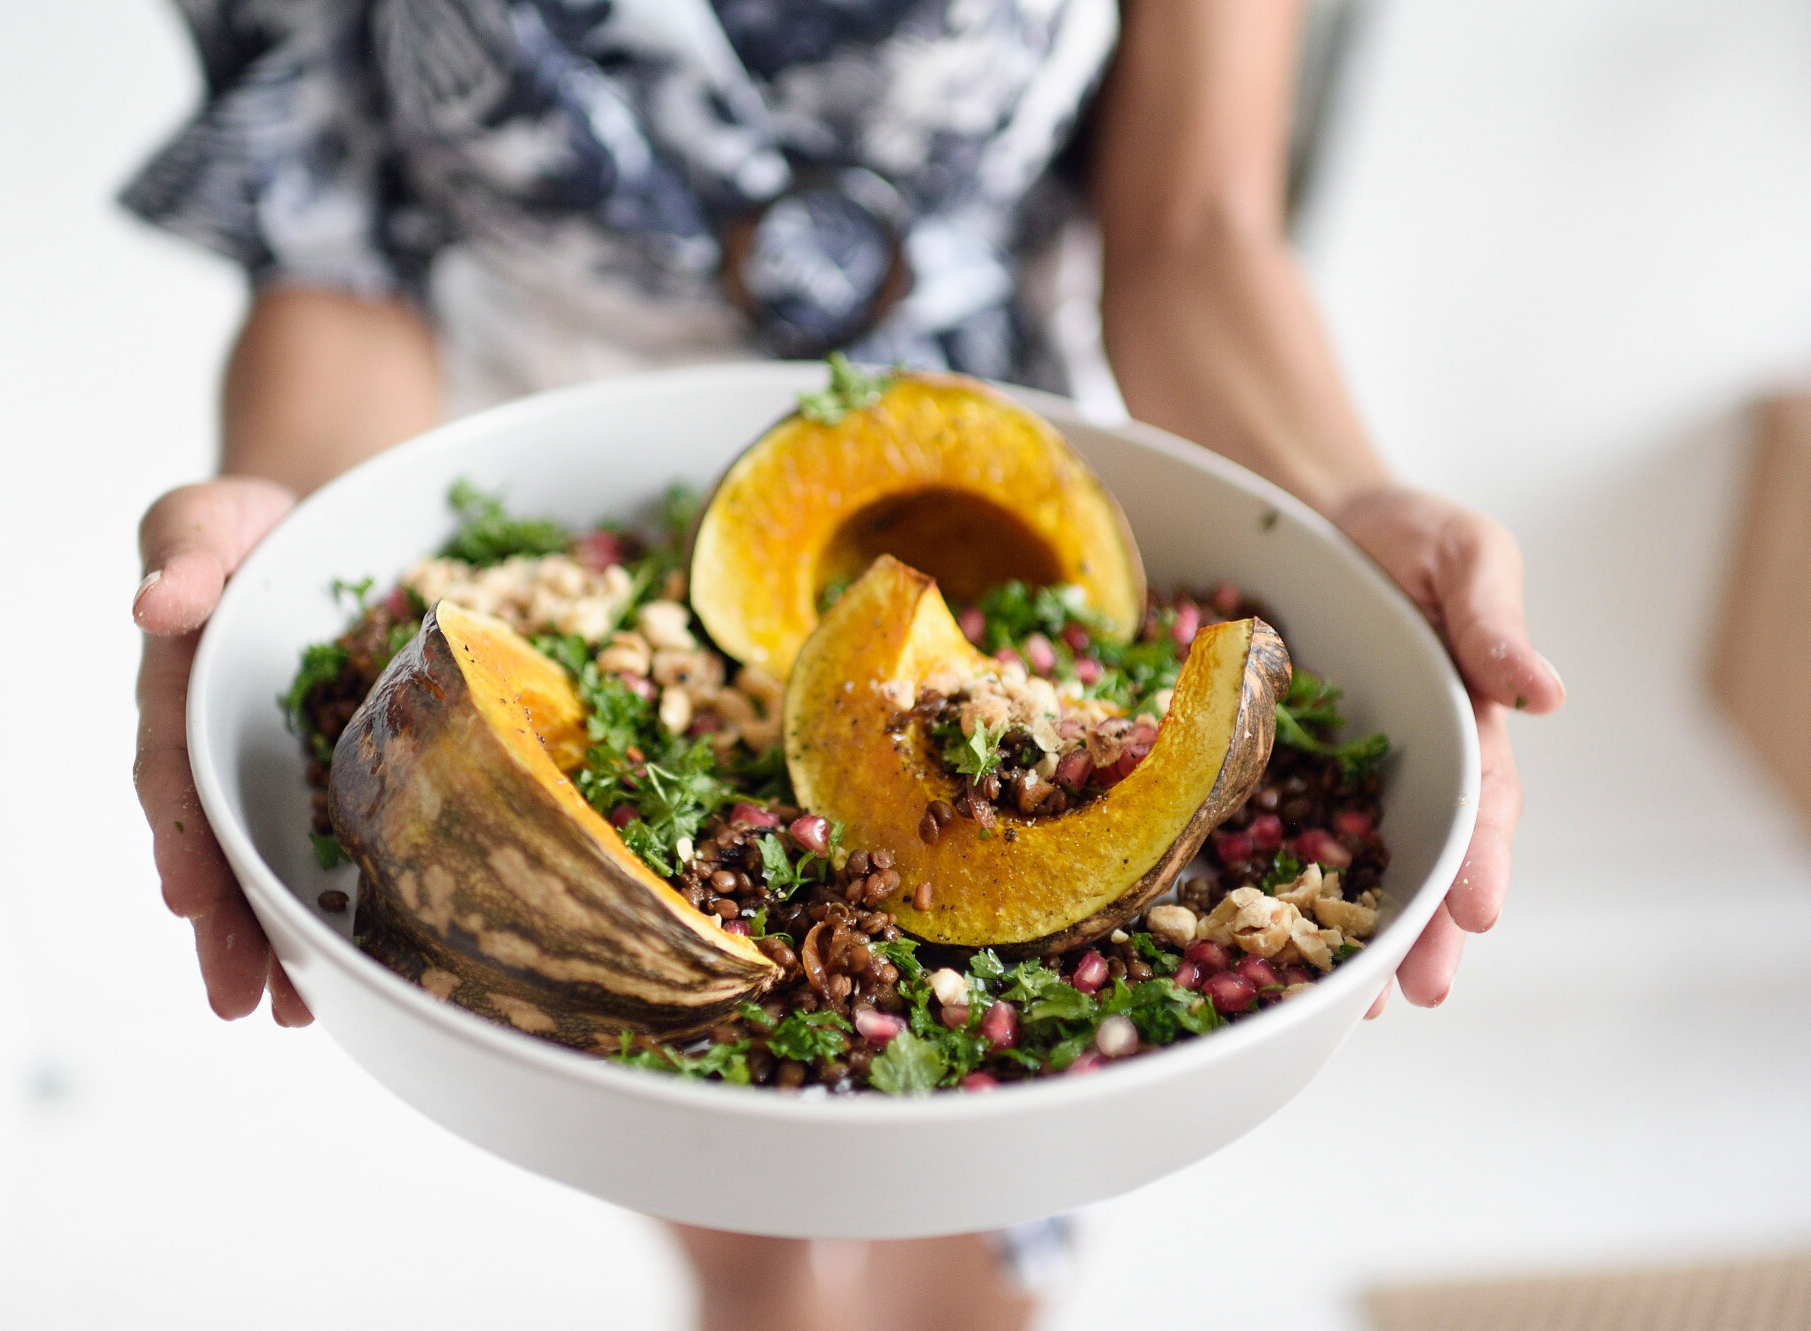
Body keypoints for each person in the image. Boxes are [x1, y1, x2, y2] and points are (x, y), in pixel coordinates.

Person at [130, 3, 1564, 1328]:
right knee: (697, 1134)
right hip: (560, 506)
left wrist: (1339, 501)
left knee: (978, 1231)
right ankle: (749, 1288)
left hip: (999, 506)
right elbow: (334, 251)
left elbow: (1194, 222)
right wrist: (300, 525)